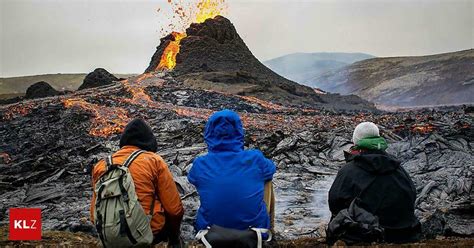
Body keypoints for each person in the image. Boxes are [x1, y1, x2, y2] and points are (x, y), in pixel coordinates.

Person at [90, 119, 184, 246]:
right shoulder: (154, 161)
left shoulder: (101, 165)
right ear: (150, 140)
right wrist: (175, 237)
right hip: (147, 234)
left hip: (109, 235)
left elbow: (93, 214)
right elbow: (174, 210)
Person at [188, 110, 276, 245]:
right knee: (266, 179)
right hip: (253, 232)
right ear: (239, 131)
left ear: (209, 133)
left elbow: (192, 178)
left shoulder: (200, 163)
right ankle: (269, 233)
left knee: (209, 186)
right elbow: (271, 169)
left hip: (209, 232)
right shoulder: (255, 158)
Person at [328, 122, 421, 243]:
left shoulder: (348, 171)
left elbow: (335, 203)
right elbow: (411, 196)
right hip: (405, 233)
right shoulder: (398, 168)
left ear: (355, 142)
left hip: (367, 234)